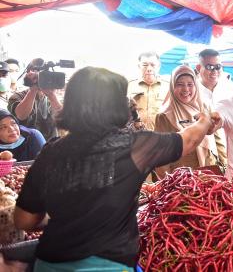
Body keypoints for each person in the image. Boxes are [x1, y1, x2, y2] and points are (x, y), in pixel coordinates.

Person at [13, 67, 220, 271]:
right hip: (108, 265)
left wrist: (68, 213)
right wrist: (204, 120)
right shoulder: (135, 147)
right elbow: (189, 140)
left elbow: (24, 220)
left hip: (50, 263)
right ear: (117, 106)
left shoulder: (51, 152)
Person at [155, 65, 219, 177]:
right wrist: (167, 183)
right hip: (182, 180)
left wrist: (224, 165)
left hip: (209, 174)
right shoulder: (164, 116)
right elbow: (161, 157)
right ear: (172, 86)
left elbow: (217, 139)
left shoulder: (204, 107)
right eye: (180, 84)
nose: (186, 89)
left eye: (190, 84)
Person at [196, 49, 233, 169]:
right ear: (198, 68)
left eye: (218, 67)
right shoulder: (191, 91)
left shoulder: (231, 89)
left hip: (230, 149)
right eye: (209, 66)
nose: (214, 71)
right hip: (203, 151)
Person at [8, 58, 62, 141]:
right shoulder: (17, 96)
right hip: (29, 147)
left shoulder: (52, 98)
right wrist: (33, 89)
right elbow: (21, 115)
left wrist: (52, 95)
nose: (42, 77)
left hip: (51, 147)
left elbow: (63, 119)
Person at [127, 51, 169, 131]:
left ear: (159, 66)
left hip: (161, 136)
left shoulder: (168, 86)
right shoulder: (129, 85)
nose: (149, 69)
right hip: (136, 135)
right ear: (139, 66)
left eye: (153, 65)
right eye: (145, 65)